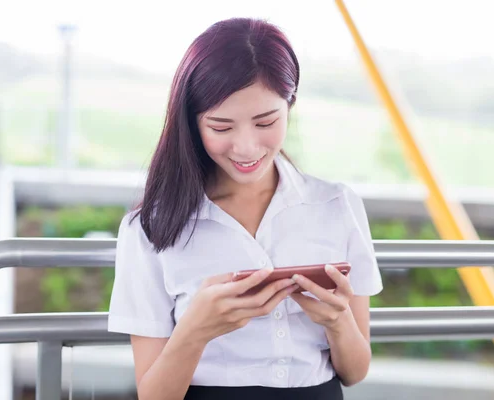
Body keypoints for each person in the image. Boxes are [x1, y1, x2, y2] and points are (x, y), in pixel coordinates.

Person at [108, 17, 383, 400]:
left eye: (265, 121)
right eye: (221, 128)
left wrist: (338, 322)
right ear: (192, 122)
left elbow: (355, 372)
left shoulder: (337, 206)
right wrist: (197, 329)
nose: (247, 148)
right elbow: (153, 396)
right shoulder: (151, 227)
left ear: (291, 104)